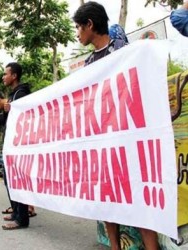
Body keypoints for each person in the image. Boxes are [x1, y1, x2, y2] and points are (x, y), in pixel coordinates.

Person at [73, 2, 159, 249]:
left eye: (79, 27)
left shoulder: (123, 50)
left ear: (90, 24)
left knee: (139, 197)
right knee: (108, 198)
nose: (78, 33)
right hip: (103, 140)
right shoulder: (89, 63)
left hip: (129, 137)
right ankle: (114, 246)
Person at [0, 62, 31, 230]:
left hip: (19, 146)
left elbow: (25, 116)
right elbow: (3, 122)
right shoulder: (12, 96)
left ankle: (22, 218)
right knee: (9, 180)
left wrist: (10, 109)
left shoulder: (21, 94)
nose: (3, 77)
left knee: (17, 180)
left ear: (14, 76)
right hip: (10, 146)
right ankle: (15, 212)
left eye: (6, 74)